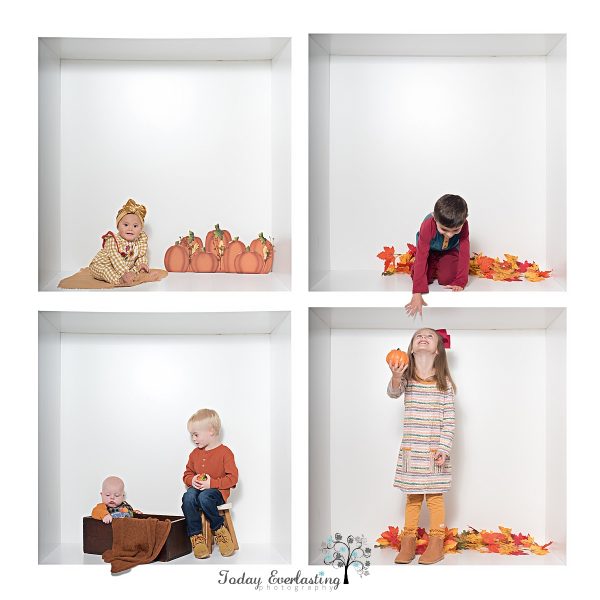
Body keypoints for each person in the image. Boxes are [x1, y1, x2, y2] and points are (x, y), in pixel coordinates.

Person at [387, 328, 456, 565]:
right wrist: (396, 375)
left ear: (437, 350)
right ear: (412, 349)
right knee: (413, 497)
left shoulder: (443, 382)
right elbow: (393, 392)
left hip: (434, 452)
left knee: (435, 497)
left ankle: (436, 544)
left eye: (429, 336)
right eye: (418, 336)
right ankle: (408, 542)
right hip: (412, 451)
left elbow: (449, 418)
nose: (423, 337)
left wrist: (444, 448)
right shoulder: (406, 378)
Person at [182, 409, 238, 559]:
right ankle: (196, 537)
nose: (193, 438)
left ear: (211, 431)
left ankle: (219, 529)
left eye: (196, 434)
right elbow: (187, 474)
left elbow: (233, 479)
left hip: (216, 493)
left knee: (205, 497)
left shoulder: (225, 453)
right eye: (192, 435)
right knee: (188, 497)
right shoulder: (195, 454)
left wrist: (211, 483)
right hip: (197, 490)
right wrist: (191, 480)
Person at [405, 194, 470, 317]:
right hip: (429, 250)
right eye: (444, 230)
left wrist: (461, 280)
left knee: (447, 279)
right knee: (424, 278)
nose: (450, 235)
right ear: (435, 218)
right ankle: (433, 262)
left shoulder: (464, 224)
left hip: (449, 250)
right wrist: (417, 292)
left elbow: (464, 251)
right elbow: (421, 256)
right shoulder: (428, 224)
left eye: (455, 230)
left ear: (464, 220)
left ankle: (440, 262)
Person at [89, 198, 149, 285]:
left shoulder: (139, 241)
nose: (130, 229)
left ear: (140, 229)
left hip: (120, 268)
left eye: (135, 226)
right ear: (118, 226)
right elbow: (116, 259)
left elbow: (140, 256)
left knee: (137, 268)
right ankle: (119, 280)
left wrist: (142, 264)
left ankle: (127, 275)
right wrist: (125, 272)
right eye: (126, 225)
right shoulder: (113, 240)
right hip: (101, 265)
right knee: (106, 271)